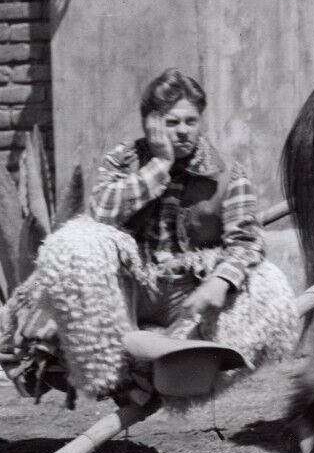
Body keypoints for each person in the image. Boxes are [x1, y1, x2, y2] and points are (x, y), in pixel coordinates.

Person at [90, 68, 270, 338]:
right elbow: (100, 213)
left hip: (190, 290)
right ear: (150, 123)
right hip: (129, 287)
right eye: (172, 123)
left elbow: (247, 241)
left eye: (191, 121)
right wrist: (160, 164)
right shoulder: (123, 160)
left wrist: (220, 282)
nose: (183, 131)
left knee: (181, 365)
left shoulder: (226, 174)